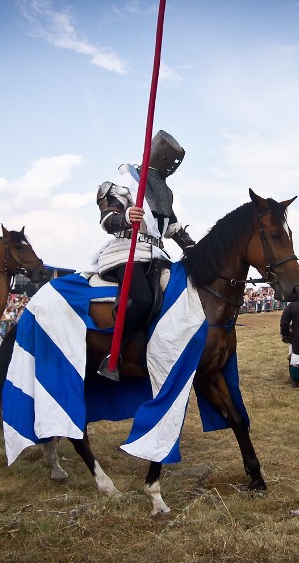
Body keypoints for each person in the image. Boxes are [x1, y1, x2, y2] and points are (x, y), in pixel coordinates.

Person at [93, 130, 196, 380]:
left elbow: (172, 227)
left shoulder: (164, 192)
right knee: (141, 299)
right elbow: (107, 220)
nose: (172, 168)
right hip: (126, 251)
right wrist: (126, 217)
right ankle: (113, 354)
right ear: (162, 157)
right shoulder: (124, 183)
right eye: (171, 163)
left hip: (156, 255)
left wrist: (191, 246)